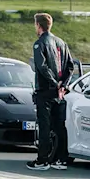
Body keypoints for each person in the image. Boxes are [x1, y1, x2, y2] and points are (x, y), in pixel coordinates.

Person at [28, 12, 75, 170]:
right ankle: (61, 159)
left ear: (38, 25)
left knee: (45, 126)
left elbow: (42, 67)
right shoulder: (61, 42)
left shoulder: (39, 43)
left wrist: (55, 83)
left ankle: (42, 160)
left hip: (46, 90)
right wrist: (64, 86)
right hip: (60, 92)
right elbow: (70, 66)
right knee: (59, 126)